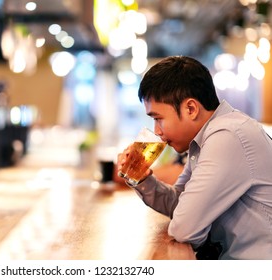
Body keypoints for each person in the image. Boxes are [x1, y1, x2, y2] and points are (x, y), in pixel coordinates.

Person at [117, 55, 272, 260]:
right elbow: (180, 204)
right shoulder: (204, 140)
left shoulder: (227, 136)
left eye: (158, 119)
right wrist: (143, 180)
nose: (157, 132)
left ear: (190, 108)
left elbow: (184, 228)